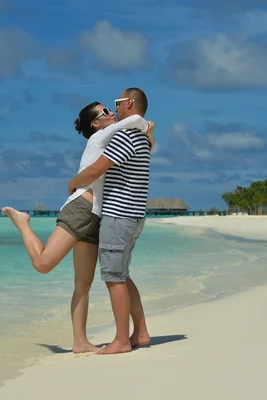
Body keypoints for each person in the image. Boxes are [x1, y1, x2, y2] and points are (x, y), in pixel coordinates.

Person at [1, 101, 154, 354]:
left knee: (83, 283)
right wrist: (145, 123)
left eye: (111, 109)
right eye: (105, 112)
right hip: (80, 209)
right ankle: (23, 222)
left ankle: (80, 342)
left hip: (97, 217)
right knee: (43, 264)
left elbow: (137, 140)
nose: (111, 113)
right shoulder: (99, 138)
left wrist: (148, 132)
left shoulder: (114, 137)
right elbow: (132, 120)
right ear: (96, 124)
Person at [68, 87, 153, 355]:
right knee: (122, 276)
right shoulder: (141, 137)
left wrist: (73, 183)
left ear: (128, 103)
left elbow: (97, 169)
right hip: (134, 215)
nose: (115, 109)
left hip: (119, 216)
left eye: (116, 104)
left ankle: (121, 340)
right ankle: (140, 332)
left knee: (114, 279)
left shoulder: (125, 136)